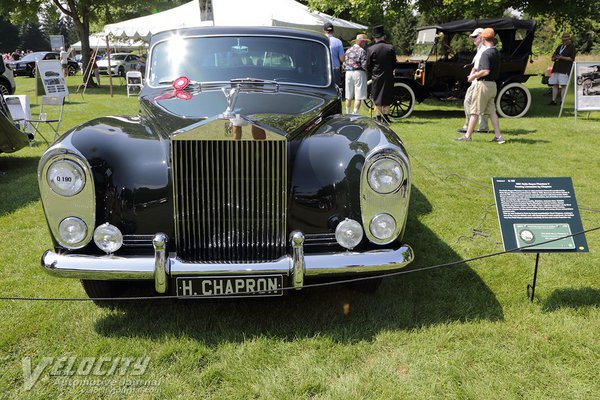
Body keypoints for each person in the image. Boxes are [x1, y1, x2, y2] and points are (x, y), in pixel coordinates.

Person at [455, 28, 505, 144]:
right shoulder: (496, 52)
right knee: (492, 112)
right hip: (493, 86)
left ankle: (467, 136)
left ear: (483, 38)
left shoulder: (486, 53)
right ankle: (499, 137)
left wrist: (473, 76)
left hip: (483, 85)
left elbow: (486, 71)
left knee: (474, 112)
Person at [457, 28, 490, 134]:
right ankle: (483, 127)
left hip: (479, 80)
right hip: (477, 79)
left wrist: (472, 75)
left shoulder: (483, 49)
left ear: (481, 37)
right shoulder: (481, 49)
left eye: (475, 37)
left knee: (468, 101)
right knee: (481, 104)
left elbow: (479, 67)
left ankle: (468, 126)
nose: (473, 39)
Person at [366, 25, 396, 124]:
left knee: (377, 97)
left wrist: (372, 74)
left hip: (376, 77)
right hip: (388, 76)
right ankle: (386, 117)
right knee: (387, 97)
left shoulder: (371, 49)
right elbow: (394, 64)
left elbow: (368, 65)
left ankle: (378, 118)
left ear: (375, 38)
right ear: (383, 36)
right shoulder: (390, 48)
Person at [343, 34, 369, 114]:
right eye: (365, 42)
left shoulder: (348, 50)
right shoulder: (362, 51)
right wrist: (368, 71)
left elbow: (344, 64)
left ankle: (347, 113)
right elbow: (364, 65)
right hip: (359, 72)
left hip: (348, 73)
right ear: (361, 42)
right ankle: (355, 113)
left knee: (348, 96)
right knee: (358, 96)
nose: (365, 44)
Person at [549, 32, 576, 105]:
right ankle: (553, 100)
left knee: (563, 85)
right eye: (563, 40)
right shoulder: (559, 47)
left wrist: (561, 57)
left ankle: (562, 101)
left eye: (565, 40)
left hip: (565, 69)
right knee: (554, 84)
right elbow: (553, 55)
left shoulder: (572, 47)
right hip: (556, 67)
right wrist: (554, 58)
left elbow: (572, 58)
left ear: (568, 40)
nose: (564, 41)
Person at [323, 22, 344, 87]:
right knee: (336, 89)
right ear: (333, 31)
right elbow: (342, 58)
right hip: (335, 69)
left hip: (322, 68)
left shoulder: (321, 40)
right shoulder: (338, 41)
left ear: (324, 30)